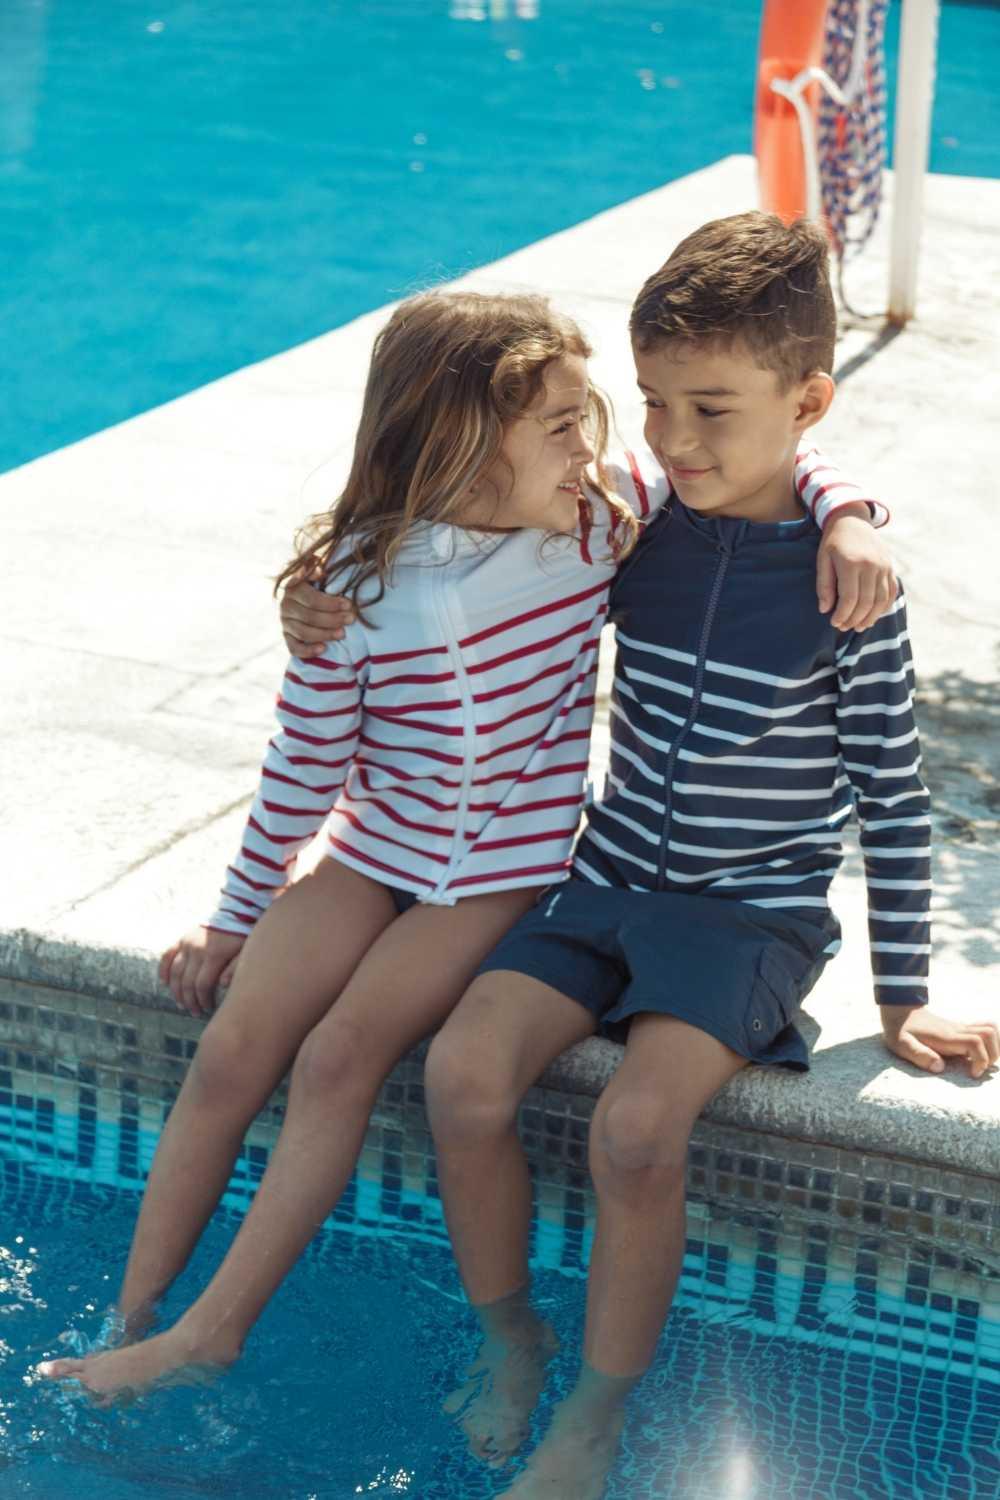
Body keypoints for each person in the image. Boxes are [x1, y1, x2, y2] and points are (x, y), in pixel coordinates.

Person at [38, 281, 885, 1404]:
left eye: (589, 416)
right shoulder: (354, 587)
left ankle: (214, 1331)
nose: (596, 444)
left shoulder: (595, 527)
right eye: (559, 423)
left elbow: (783, 468)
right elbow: (304, 767)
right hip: (375, 853)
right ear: (456, 443)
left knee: (340, 1056)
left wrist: (850, 512)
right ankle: (132, 1315)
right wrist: (237, 918)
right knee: (235, 1047)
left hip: (499, 880)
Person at [407, 216, 998, 1500]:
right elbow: (467, 501)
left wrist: (901, 994)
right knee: (458, 1075)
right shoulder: (633, 528)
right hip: (603, 883)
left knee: (633, 1131)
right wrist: (333, 586)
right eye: (655, 403)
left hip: (747, 924)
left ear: (808, 400)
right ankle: (513, 1335)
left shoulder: (850, 593)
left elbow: (894, 799)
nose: (672, 440)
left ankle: (598, 1414)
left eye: (711, 409)